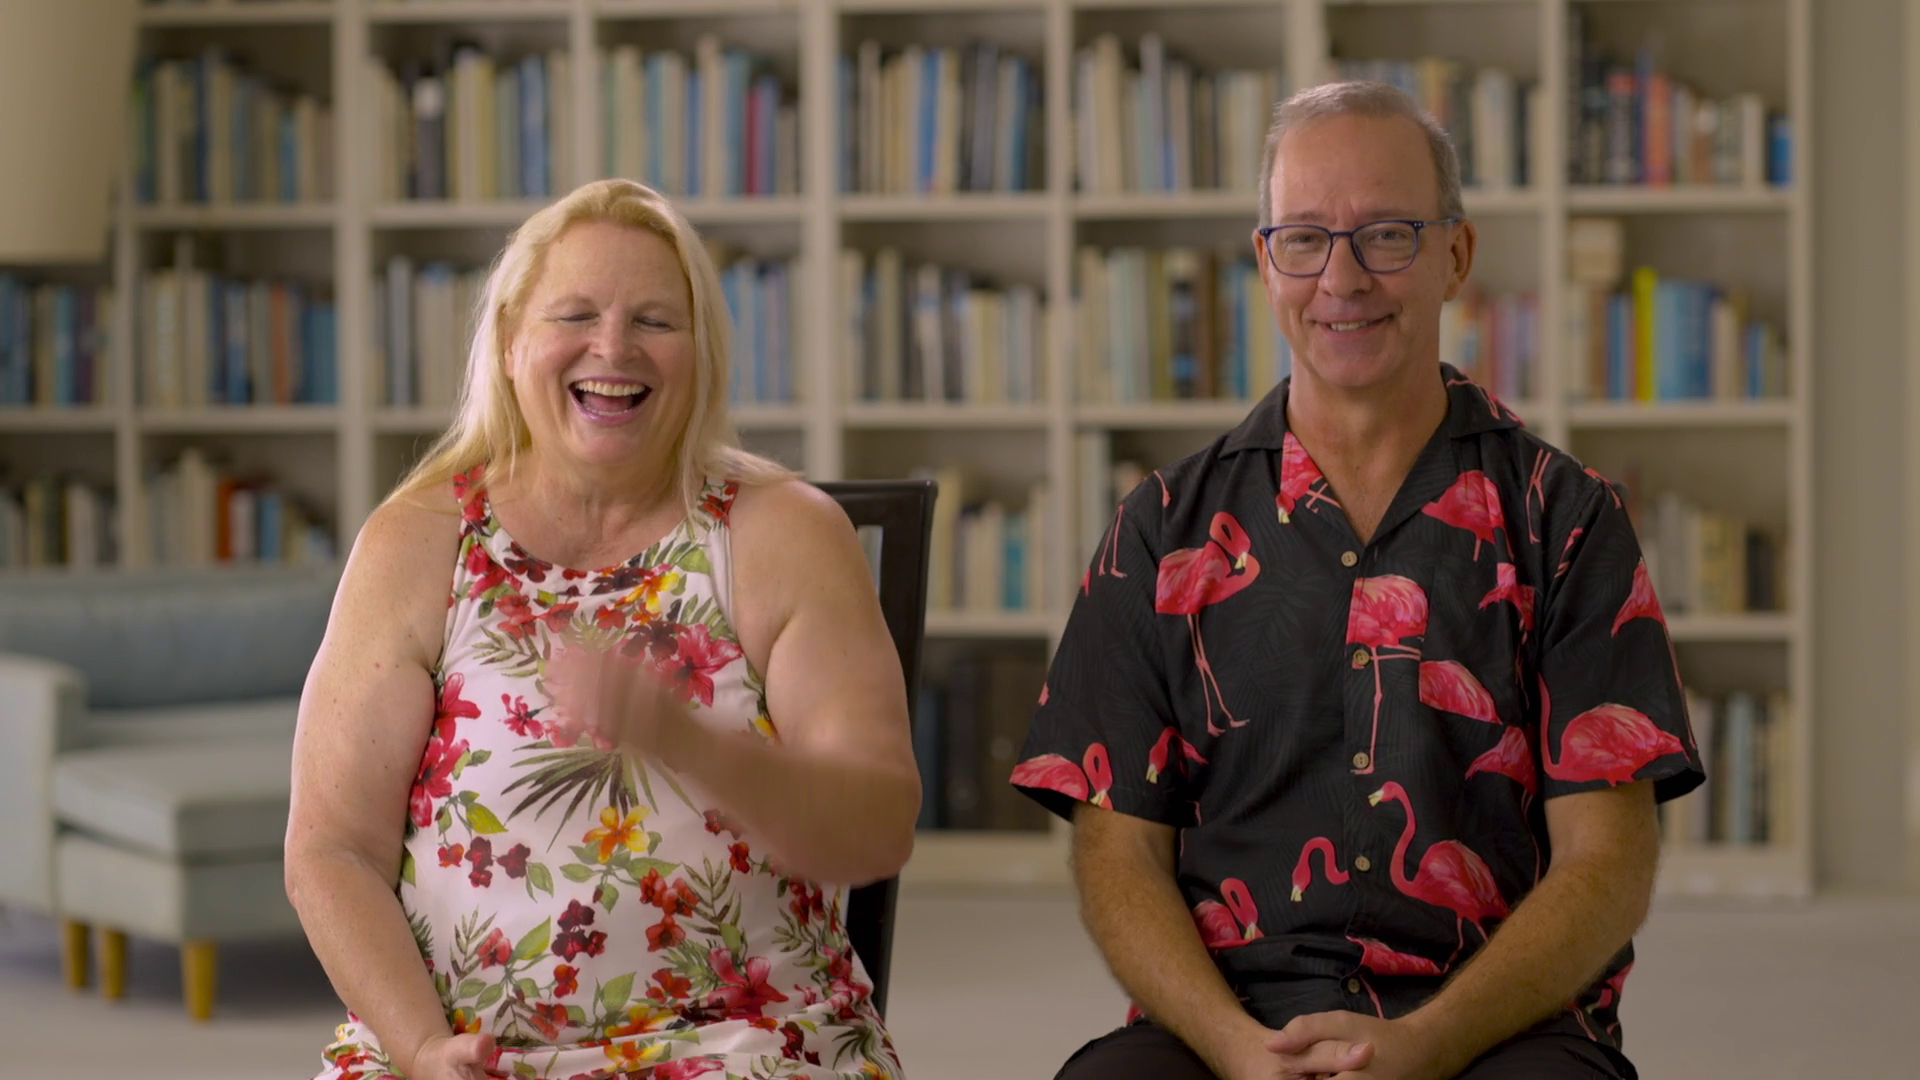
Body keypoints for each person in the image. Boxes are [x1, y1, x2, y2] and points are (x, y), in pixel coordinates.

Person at [1013, 81, 1703, 1080]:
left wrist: (1429, 1042)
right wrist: (1236, 1049)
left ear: (1456, 255)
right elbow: (1117, 855)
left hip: (1496, 1024)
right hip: (1231, 1022)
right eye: (1304, 239)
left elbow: (1608, 860)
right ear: (1265, 262)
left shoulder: (1565, 519)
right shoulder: (1158, 531)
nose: (1343, 279)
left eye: (1387, 235)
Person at [286, 178, 918, 1080]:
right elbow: (332, 848)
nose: (614, 348)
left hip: (744, 1044)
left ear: (701, 355)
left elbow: (876, 828)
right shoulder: (417, 543)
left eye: (655, 321)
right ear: (511, 343)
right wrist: (423, 1048)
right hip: (455, 1051)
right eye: (575, 315)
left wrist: (685, 742)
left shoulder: (784, 535)